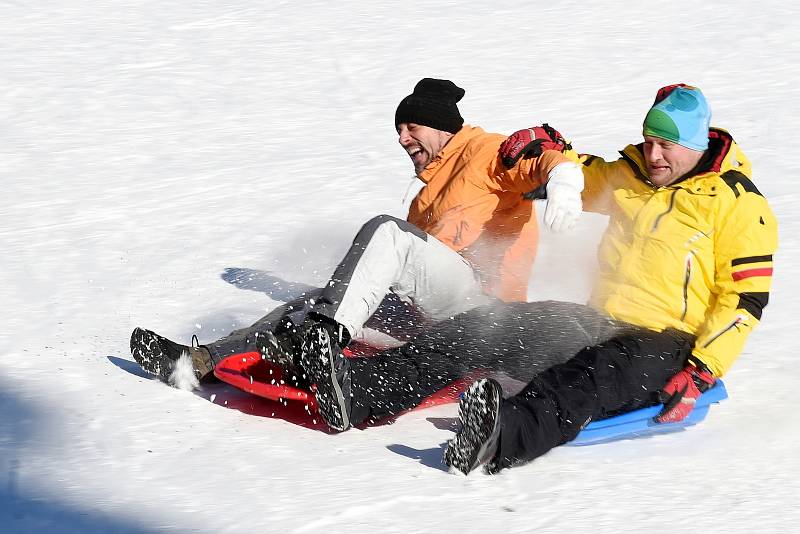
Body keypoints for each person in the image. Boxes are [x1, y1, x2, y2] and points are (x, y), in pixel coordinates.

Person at [291, 84, 777, 473]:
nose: (654, 156)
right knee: (486, 326)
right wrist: (547, 146)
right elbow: (576, 175)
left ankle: (501, 435)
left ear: (694, 145)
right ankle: (361, 391)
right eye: (649, 142)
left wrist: (703, 368)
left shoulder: (737, 204)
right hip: (599, 318)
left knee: (586, 377)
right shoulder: (631, 175)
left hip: (666, 342)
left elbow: (744, 301)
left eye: (666, 146)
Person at [130, 78, 584, 400]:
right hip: (433, 315)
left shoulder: (484, 150)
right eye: (398, 131)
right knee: (314, 300)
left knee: (386, 232)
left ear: (442, 125)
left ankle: (320, 340)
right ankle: (198, 361)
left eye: (412, 128)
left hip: (484, 309)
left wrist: (564, 181)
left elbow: (539, 156)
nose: (403, 139)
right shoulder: (426, 194)